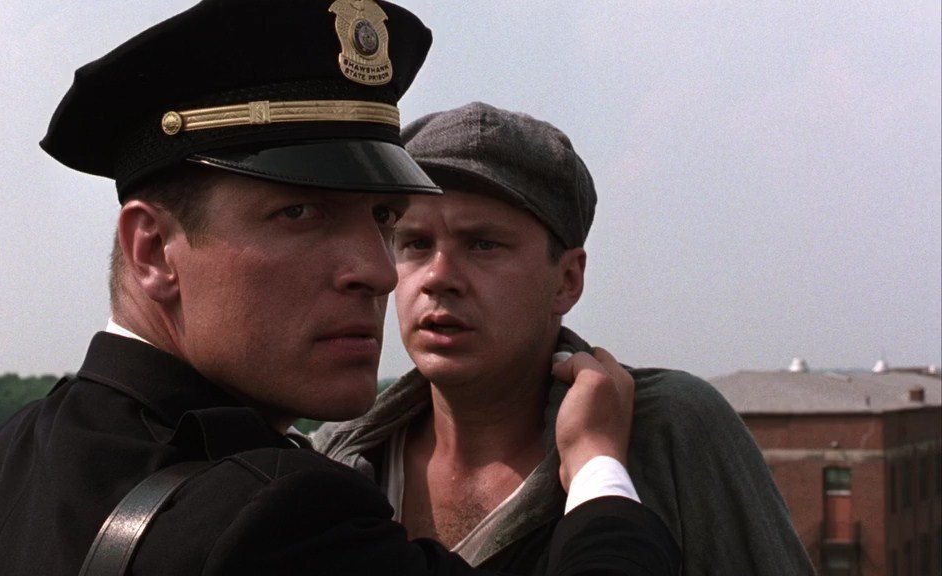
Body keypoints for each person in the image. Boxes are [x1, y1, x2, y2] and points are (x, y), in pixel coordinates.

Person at [0, 3, 681, 576]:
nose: (380, 272)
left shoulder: (6, 461)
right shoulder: (281, 515)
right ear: (153, 250)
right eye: (300, 213)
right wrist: (597, 468)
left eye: (381, 218)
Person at [314, 102, 817, 575]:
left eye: (483, 244)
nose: (439, 276)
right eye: (415, 244)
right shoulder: (337, 457)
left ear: (567, 280)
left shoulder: (665, 433)